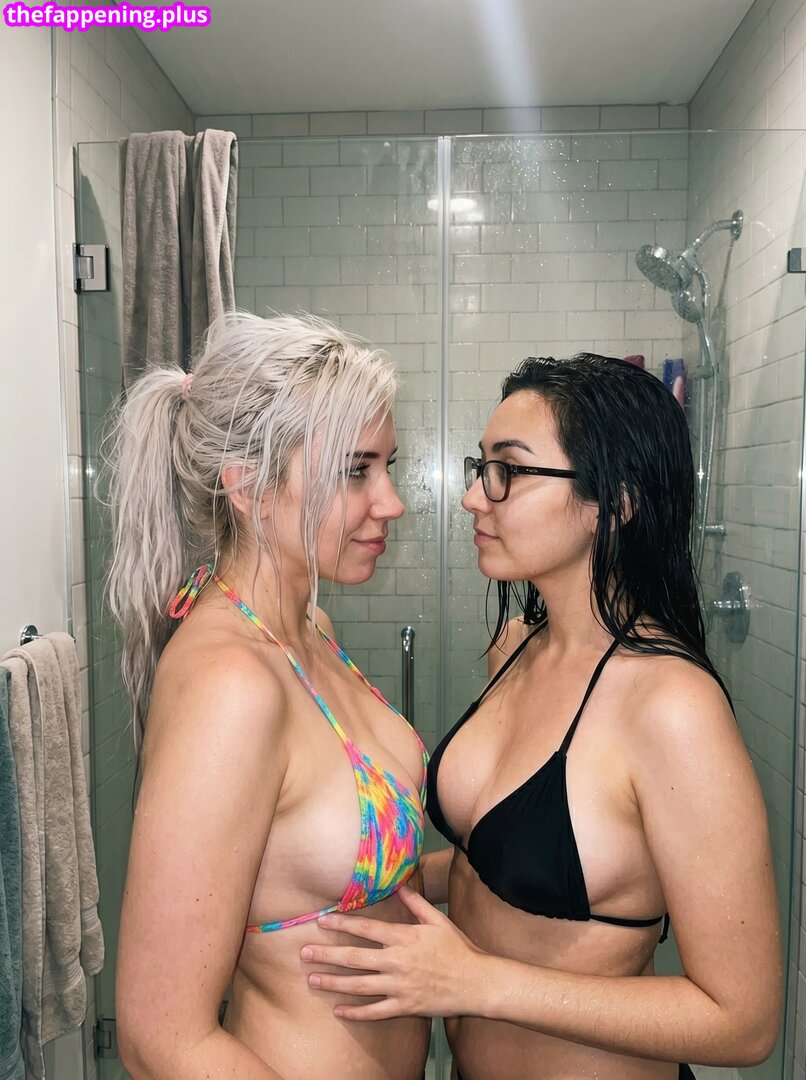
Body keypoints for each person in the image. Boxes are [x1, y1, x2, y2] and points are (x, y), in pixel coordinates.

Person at [301, 353, 782, 1079]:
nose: (474, 496)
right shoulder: (519, 648)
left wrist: (476, 983)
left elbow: (743, 1021)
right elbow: (491, 867)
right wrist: (361, 878)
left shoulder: (670, 708)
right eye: (481, 466)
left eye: (510, 470)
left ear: (613, 504)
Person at [107, 312, 431, 1080]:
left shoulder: (307, 629)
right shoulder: (232, 685)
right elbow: (160, 1037)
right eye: (356, 471)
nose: (391, 502)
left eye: (387, 466)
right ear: (248, 486)